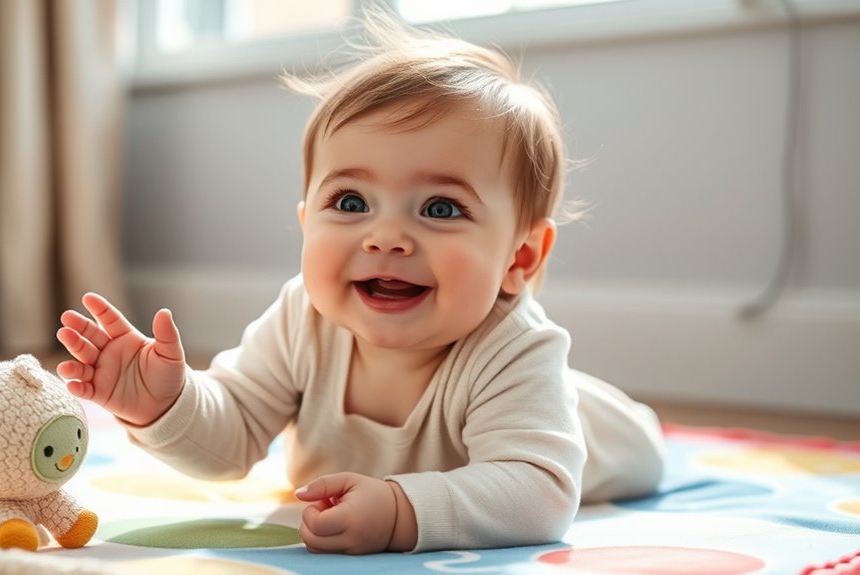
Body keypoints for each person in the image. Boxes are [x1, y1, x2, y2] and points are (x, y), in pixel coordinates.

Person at [56, 12, 664, 555]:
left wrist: (403, 510)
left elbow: (541, 492)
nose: (386, 237)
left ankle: (598, 409)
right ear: (305, 221)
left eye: (441, 209)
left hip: (604, 435)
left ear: (520, 256)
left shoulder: (516, 350)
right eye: (350, 200)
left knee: (611, 435)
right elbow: (231, 438)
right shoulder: (303, 318)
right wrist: (166, 405)